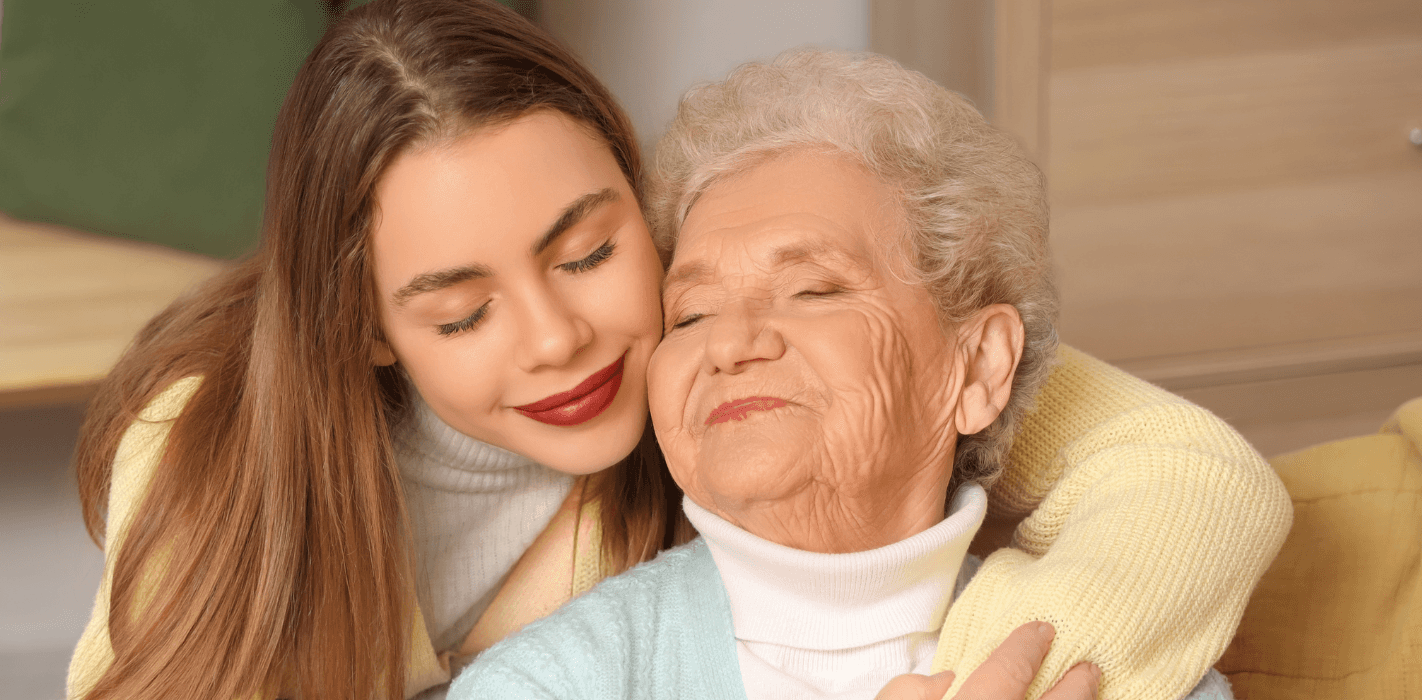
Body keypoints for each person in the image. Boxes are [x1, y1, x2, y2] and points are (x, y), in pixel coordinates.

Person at [63, 3, 1292, 700]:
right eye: (458, 312)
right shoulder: (207, 454)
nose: (558, 341)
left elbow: (1192, 479)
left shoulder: (726, 268)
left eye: (588, 251)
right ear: (369, 331)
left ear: (632, 194)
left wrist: (1016, 662)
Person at [450, 50, 1284, 700]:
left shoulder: (1125, 669)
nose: (729, 344)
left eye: (813, 290)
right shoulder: (545, 684)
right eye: (690, 315)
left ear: (979, 366)